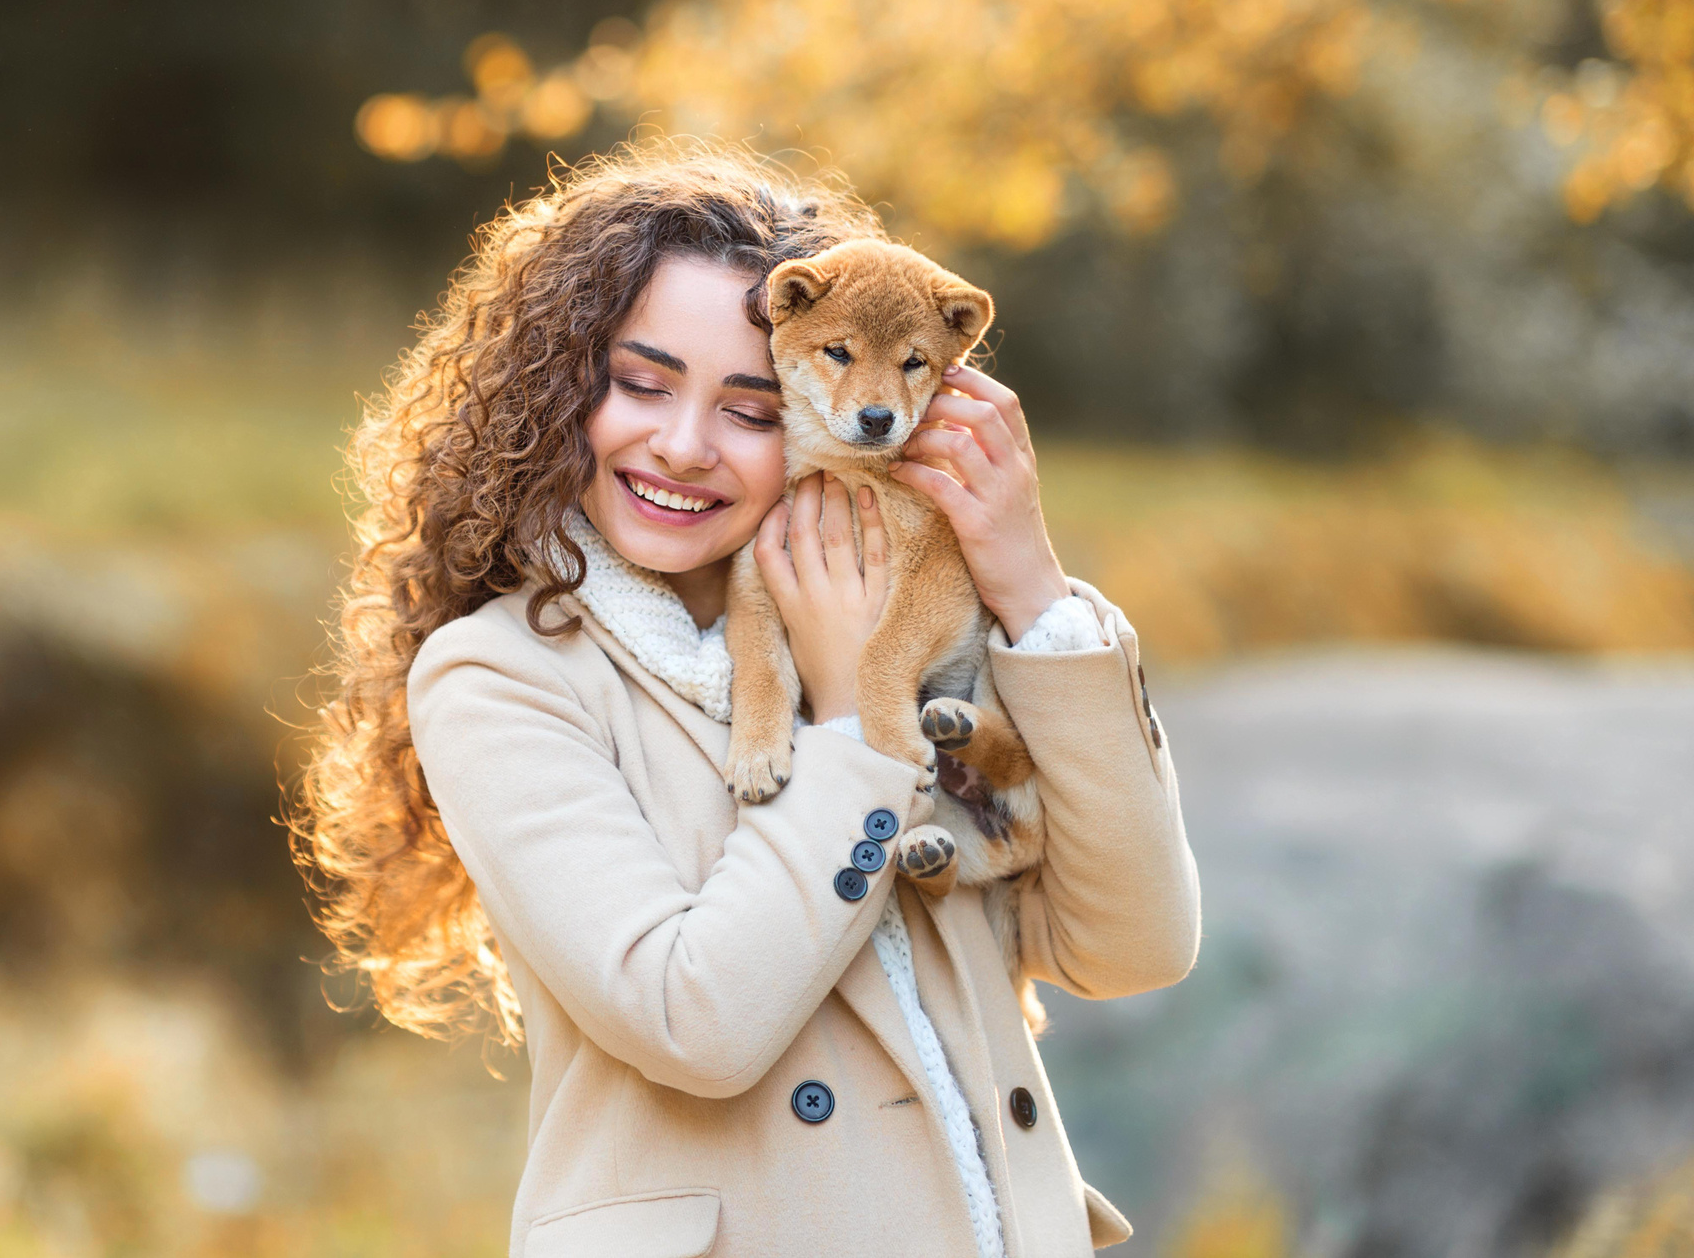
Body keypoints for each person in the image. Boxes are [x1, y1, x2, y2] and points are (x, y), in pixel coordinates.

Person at [296, 142, 1200, 1258]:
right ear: (559, 387)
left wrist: (1026, 588)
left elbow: (1134, 946)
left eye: (752, 407)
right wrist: (847, 720)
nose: (682, 443)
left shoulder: (917, 626)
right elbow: (696, 1020)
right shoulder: (503, 677)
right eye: (640, 382)